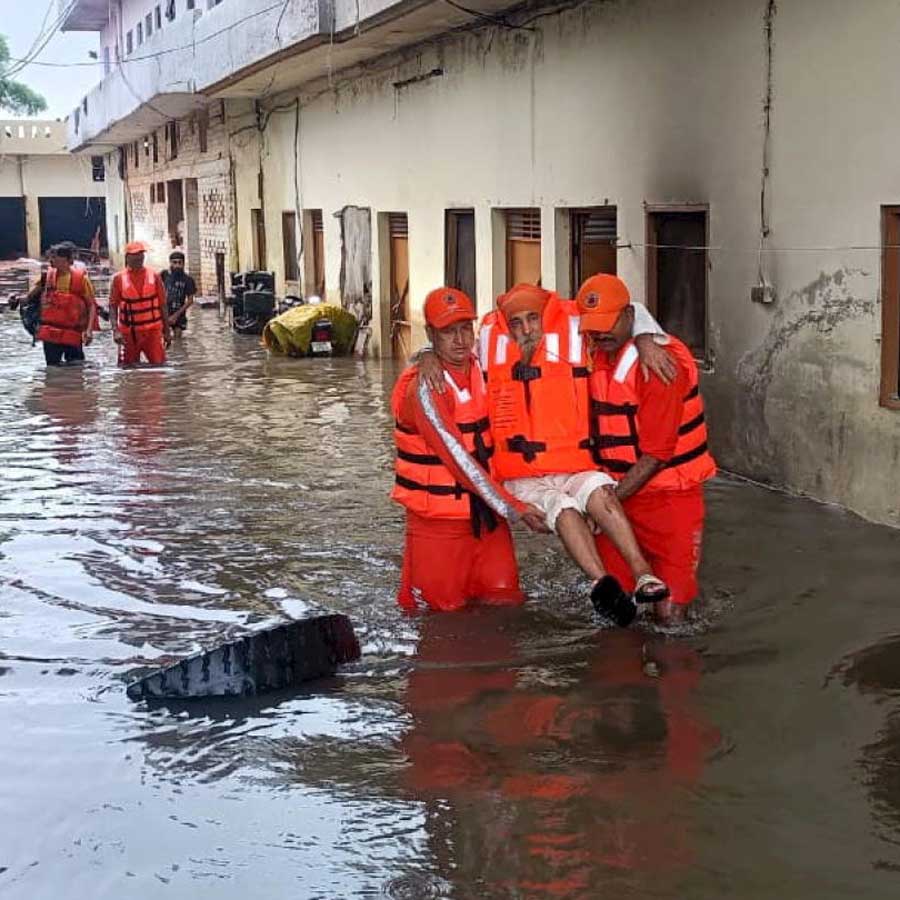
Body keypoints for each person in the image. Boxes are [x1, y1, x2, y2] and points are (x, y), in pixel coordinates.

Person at [421, 284, 673, 626]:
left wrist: (646, 338)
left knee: (601, 490)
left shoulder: (574, 327)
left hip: (574, 463)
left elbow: (629, 312)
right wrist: (425, 354)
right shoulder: (485, 341)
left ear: (547, 317)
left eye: (532, 319)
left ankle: (644, 574)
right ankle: (602, 584)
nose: (525, 330)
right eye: (516, 323)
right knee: (563, 509)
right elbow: (450, 344)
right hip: (520, 474)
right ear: (504, 323)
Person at [391, 287, 547, 613]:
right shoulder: (424, 388)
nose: (461, 340)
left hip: (487, 518)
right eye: (449, 332)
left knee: (505, 601)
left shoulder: (485, 366)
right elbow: (458, 459)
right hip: (440, 526)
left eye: (466, 329)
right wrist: (513, 507)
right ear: (431, 333)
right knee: (442, 618)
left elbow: (555, 315)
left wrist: (647, 333)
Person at [576, 274, 717, 624]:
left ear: (628, 316)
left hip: (670, 499)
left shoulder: (660, 366)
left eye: (608, 325)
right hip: (616, 495)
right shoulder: (594, 348)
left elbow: (657, 455)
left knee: (670, 614)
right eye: (592, 327)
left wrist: (605, 507)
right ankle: (621, 675)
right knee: (616, 610)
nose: (599, 335)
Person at [28, 243, 95, 366]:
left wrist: (89, 331)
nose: (51, 260)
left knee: (76, 367)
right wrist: (16, 300)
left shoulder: (81, 279)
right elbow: (29, 298)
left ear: (68, 260)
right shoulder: (46, 278)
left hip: (72, 332)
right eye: (50, 257)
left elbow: (91, 305)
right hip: (50, 333)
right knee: (52, 369)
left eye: (55, 257)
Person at [109, 241, 171, 366]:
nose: (139, 257)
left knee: (159, 366)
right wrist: (115, 330)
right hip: (128, 333)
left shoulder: (154, 276)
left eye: (141, 254)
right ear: (127, 257)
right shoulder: (118, 279)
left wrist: (167, 331)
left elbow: (163, 305)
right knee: (127, 368)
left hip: (152, 331)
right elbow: (113, 306)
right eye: (135, 254)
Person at [160, 250, 196, 333]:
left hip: (179, 314)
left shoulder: (188, 280)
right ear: (170, 263)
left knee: (178, 340)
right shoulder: (164, 275)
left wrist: (176, 315)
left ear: (183, 264)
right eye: (175, 262)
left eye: (180, 263)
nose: (177, 265)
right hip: (165, 312)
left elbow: (190, 300)